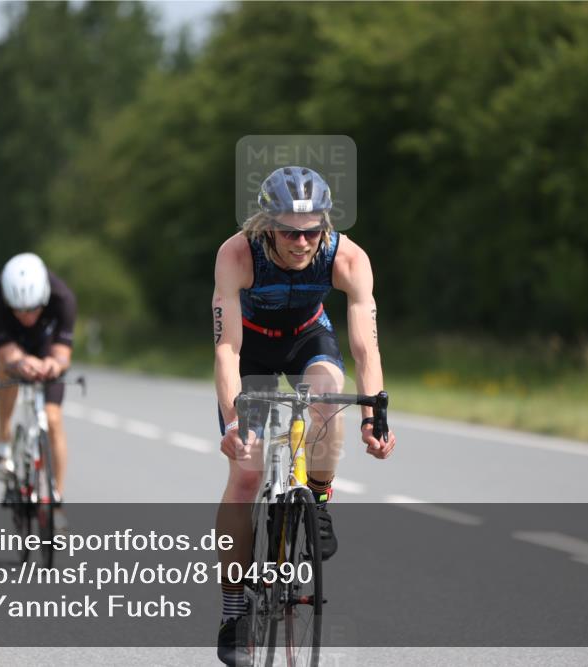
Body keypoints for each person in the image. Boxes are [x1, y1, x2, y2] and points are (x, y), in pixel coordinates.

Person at [212, 166, 397, 664]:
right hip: (251, 349)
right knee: (246, 476)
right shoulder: (236, 254)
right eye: (290, 231)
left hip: (308, 339)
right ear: (267, 225)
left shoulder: (348, 258)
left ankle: (316, 497)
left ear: (325, 226)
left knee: (328, 394)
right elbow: (227, 349)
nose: (301, 241)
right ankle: (234, 612)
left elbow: (365, 349)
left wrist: (373, 417)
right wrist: (233, 423)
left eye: (312, 230)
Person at [0, 253, 76, 528]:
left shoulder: (63, 299)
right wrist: (21, 362)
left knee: (54, 419)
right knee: (7, 372)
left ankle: (56, 503)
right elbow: (5, 354)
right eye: (19, 311)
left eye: (33, 309)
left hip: (46, 343)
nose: (27, 316)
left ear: (44, 298)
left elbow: (63, 353)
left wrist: (53, 365)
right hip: (8, 343)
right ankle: (3, 436)